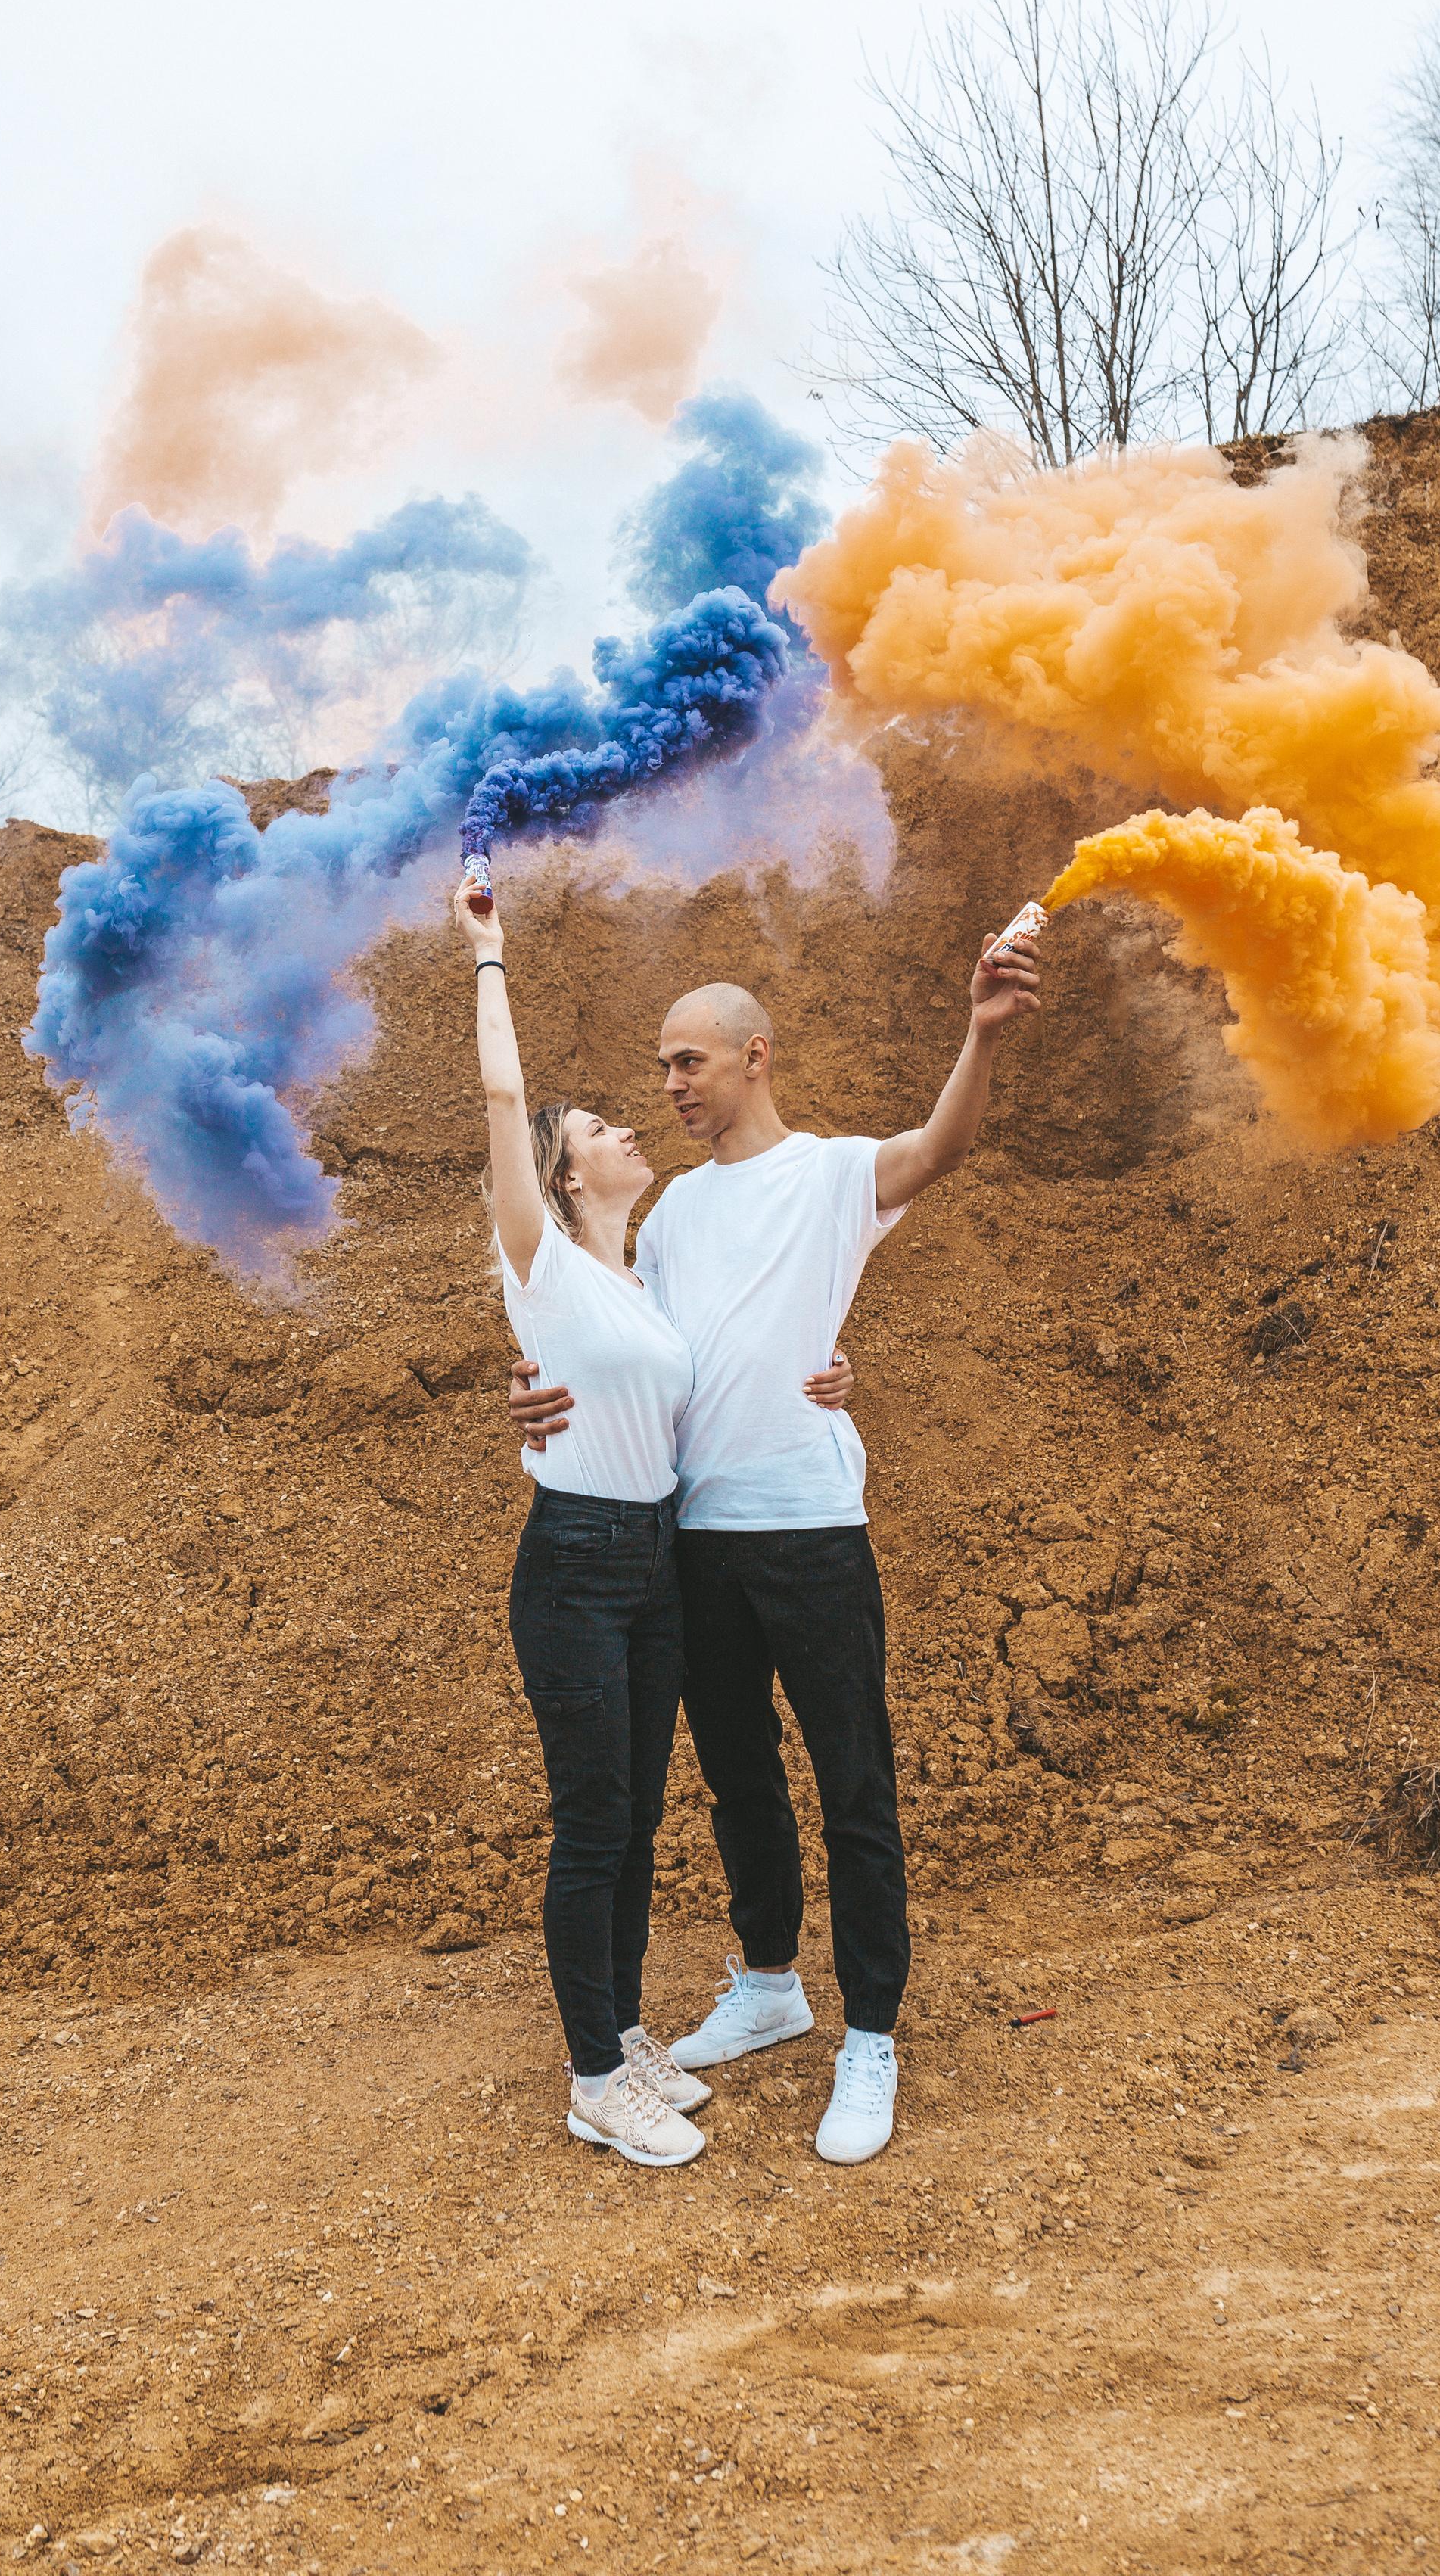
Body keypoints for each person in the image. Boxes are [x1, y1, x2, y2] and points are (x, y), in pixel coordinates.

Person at [511, 934, 1040, 2164]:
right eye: (660, 1067)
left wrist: (983, 1032)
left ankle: (870, 2034)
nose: (672, 1086)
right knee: (738, 1777)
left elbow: (941, 1148)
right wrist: (523, 1386)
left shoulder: (835, 1174)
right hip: (691, 1538)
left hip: (811, 1530)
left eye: (689, 1062)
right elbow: (608, 1329)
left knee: (854, 1784)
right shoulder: (673, 1209)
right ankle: (768, 1982)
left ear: (755, 1057)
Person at [453, 875, 858, 2168]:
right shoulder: (546, 1256)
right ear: (568, 1175)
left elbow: (737, 1362)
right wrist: (488, 958)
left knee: (630, 1817)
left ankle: (622, 2035)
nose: (638, 1126)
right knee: (591, 1822)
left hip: (657, 1565)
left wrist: (837, 1377)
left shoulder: (649, 1271)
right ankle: (590, 2078)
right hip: (575, 1565)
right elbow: (505, 1107)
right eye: (607, 1126)